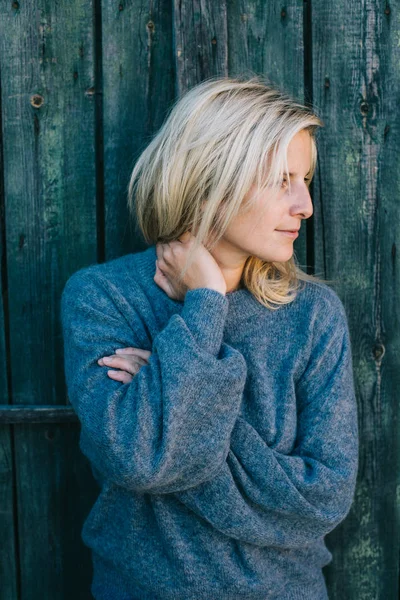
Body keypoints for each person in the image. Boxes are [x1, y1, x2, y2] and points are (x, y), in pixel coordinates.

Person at [61, 76, 359, 599]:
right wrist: (204, 306)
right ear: (211, 179)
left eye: (305, 178)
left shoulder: (313, 315)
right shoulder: (103, 298)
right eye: (282, 179)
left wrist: (176, 400)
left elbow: (324, 498)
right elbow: (139, 460)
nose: (305, 205)